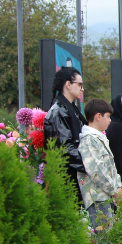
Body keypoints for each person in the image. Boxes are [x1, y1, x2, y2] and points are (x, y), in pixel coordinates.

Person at [77, 99, 121, 244]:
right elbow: (96, 170)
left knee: (108, 239)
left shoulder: (97, 137)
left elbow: (110, 167)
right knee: (103, 243)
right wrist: (113, 189)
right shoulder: (89, 139)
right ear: (97, 116)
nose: (110, 121)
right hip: (98, 197)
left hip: (106, 195)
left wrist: (117, 187)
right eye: (108, 117)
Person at [44, 66, 88, 202]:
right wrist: (89, 164)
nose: (82, 89)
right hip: (66, 178)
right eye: (79, 84)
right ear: (68, 84)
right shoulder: (58, 110)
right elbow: (65, 147)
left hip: (75, 176)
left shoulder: (71, 108)